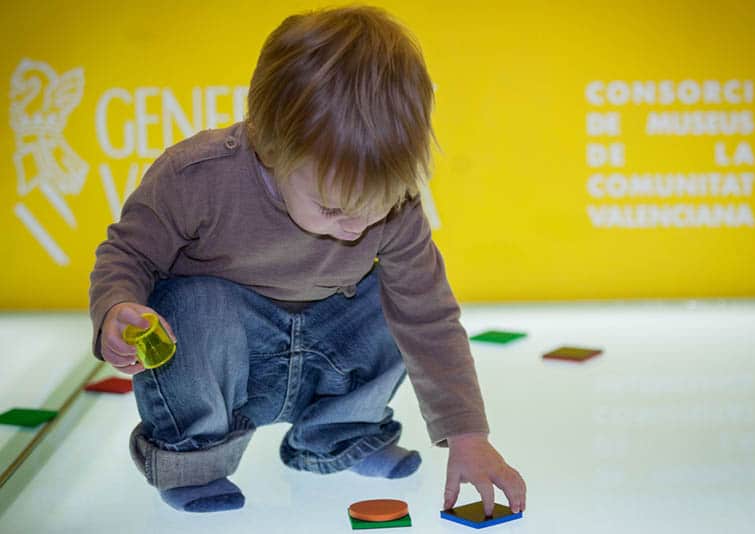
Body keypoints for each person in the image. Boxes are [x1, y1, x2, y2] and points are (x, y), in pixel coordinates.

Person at [89, 4, 526, 515]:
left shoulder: (397, 207)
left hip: (321, 356)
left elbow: (429, 319)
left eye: (375, 206)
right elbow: (128, 253)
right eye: (333, 208)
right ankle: (196, 458)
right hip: (229, 366)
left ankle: (339, 434)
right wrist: (118, 307)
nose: (356, 227)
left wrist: (467, 434)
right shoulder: (197, 178)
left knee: (397, 302)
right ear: (270, 147)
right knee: (197, 304)